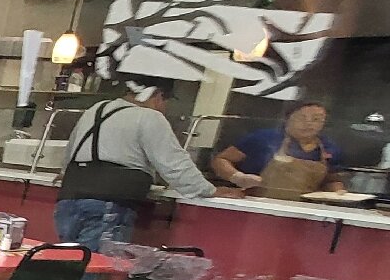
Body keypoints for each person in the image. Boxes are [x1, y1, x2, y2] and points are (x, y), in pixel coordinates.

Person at [54, 80, 218, 251]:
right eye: (166, 102)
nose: (165, 108)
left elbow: (70, 152)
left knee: (70, 260)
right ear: (158, 95)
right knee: (97, 263)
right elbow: (175, 164)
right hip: (108, 204)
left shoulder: (97, 109)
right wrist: (208, 190)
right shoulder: (149, 117)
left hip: (69, 201)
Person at [211, 100, 346, 198]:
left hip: (302, 210)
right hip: (254, 204)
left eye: (316, 119)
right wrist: (238, 177)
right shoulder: (264, 138)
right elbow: (221, 160)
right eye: (302, 118)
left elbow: (331, 180)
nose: (309, 123)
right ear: (288, 118)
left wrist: (337, 193)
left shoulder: (330, 148)